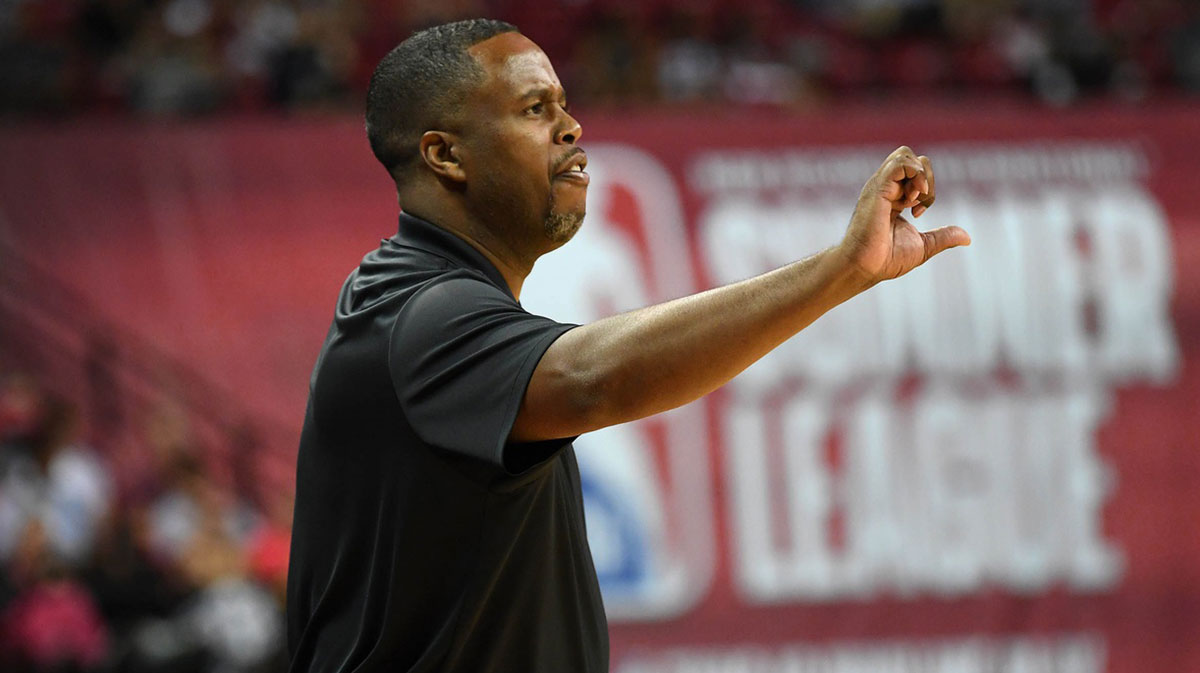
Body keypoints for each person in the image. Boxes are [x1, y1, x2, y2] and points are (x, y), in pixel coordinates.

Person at [285, 18, 970, 673]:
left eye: (563, 103)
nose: (571, 126)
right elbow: (596, 378)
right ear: (444, 154)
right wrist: (842, 268)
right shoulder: (424, 313)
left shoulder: (413, 298)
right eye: (533, 109)